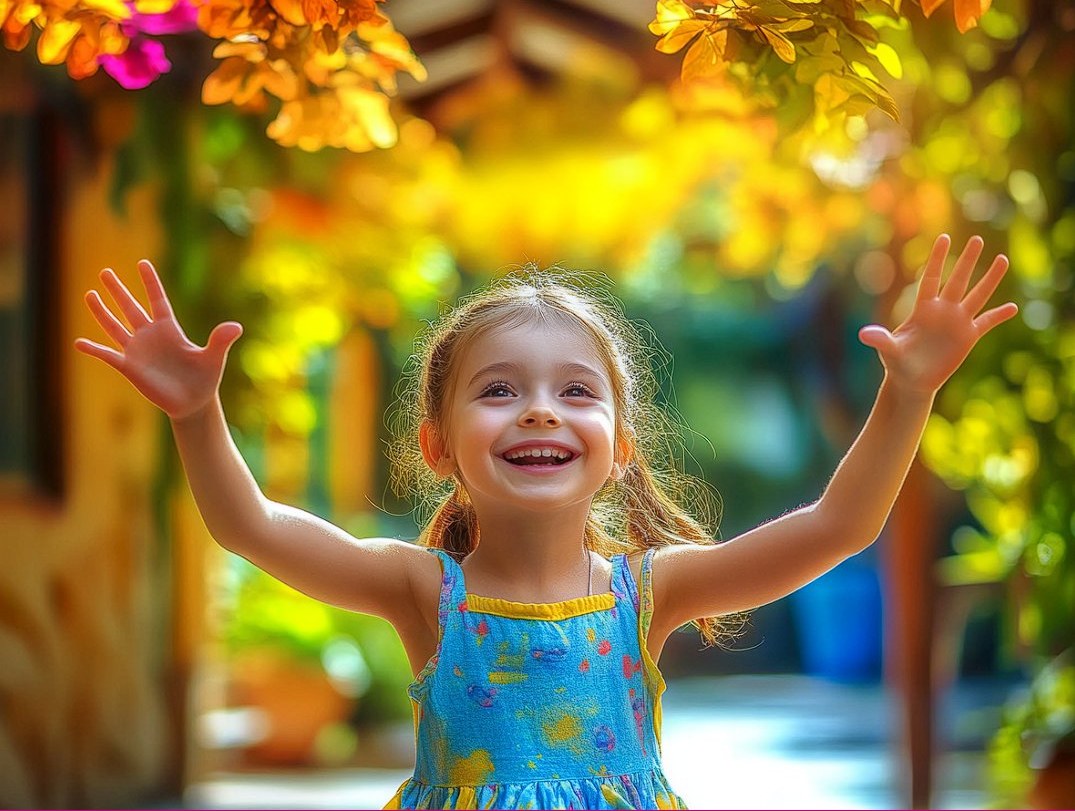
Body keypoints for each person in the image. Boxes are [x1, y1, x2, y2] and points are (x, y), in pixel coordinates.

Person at [75, 234, 1017, 809]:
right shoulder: (421, 591)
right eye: (499, 391)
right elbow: (253, 527)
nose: (538, 410)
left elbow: (835, 527)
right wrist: (196, 416)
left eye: (575, 391)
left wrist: (906, 392)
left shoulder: (649, 590)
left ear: (621, 444)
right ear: (439, 445)